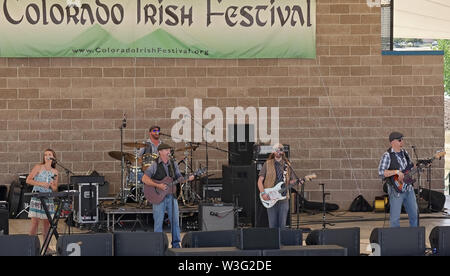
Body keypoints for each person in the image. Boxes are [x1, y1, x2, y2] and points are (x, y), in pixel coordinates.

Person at [142, 143, 194, 248]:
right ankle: (158, 245)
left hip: (171, 196)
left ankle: (176, 245)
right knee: (158, 222)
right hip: (158, 197)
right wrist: (158, 185)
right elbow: (144, 179)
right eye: (166, 150)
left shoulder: (173, 163)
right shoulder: (155, 164)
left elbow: (179, 177)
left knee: (175, 221)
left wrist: (187, 178)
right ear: (160, 152)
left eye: (169, 150)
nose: (168, 152)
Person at [378, 131, 418, 227]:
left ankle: (415, 237)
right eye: (399, 140)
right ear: (392, 142)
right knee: (395, 219)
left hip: (409, 188)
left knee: (414, 215)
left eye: (402, 139)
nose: (402, 142)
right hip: (396, 190)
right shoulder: (387, 155)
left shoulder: (405, 153)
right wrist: (396, 172)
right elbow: (381, 172)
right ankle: (396, 240)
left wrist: (420, 166)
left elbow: (410, 169)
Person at [257, 143, 300, 229]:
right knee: (272, 224)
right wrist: (263, 193)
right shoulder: (267, 164)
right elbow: (260, 181)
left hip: (283, 197)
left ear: (283, 152)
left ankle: (281, 242)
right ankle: (273, 241)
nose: (278, 152)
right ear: (273, 152)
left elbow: (290, 181)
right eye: (276, 150)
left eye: (280, 150)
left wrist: (298, 181)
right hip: (270, 196)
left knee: (282, 224)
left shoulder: (287, 165)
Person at [26, 149, 59, 240]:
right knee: (34, 223)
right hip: (37, 197)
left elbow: (55, 188)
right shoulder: (38, 167)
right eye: (45, 155)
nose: (47, 156)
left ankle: (46, 247)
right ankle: (30, 246)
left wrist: (52, 186)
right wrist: (40, 184)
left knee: (47, 224)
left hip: (48, 199)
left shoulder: (55, 172)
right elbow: (28, 180)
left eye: (49, 154)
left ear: (53, 157)